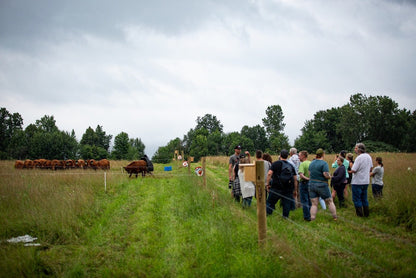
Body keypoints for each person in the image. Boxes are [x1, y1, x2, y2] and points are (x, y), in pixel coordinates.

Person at [266, 149, 298, 218]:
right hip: (287, 188)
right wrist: (295, 190)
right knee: (286, 204)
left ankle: (268, 215)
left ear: (280, 155)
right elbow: (295, 178)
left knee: (270, 202)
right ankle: (285, 217)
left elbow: (269, 174)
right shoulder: (291, 166)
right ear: (288, 156)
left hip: (276, 187)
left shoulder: (275, 164)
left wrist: (267, 184)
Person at [308, 148, 337, 221]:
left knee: (314, 204)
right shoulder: (324, 163)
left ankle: (312, 218)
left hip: (311, 184)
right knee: (329, 201)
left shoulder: (312, 163)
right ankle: (335, 217)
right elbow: (325, 174)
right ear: (323, 154)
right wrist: (330, 176)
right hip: (322, 184)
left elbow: (309, 173)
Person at [350, 143, 373, 217]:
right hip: (366, 181)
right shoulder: (368, 156)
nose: (355, 150)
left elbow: (354, 170)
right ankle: (366, 213)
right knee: (364, 198)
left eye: (356, 148)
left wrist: (349, 168)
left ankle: (359, 214)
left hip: (357, 181)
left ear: (359, 149)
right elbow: (371, 168)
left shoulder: (359, 158)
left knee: (357, 198)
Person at [298, 150, 311, 221]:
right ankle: (311, 214)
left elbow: (301, 175)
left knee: (304, 200)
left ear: (303, 156)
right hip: (311, 184)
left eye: (299, 156)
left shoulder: (302, 164)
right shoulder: (311, 163)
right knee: (310, 200)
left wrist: (307, 179)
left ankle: (307, 216)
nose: (298, 157)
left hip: (304, 183)